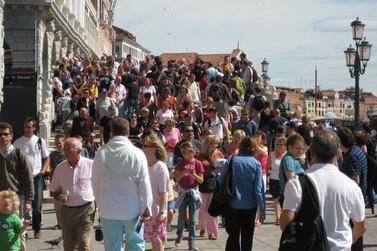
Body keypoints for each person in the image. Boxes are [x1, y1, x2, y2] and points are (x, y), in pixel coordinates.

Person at [280, 129, 367, 250]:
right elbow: (361, 225)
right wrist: (351, 238)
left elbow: (285, 222)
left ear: (312, 153)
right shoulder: (351, 186)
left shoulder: (297, 183)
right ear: (338, 154)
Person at [92, 117, 153, 251]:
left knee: (112, 247)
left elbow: (95, 183)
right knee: (136, 245)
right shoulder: (138, 154)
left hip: (108, 210)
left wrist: (100, 204)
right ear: (128, 132)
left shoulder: (100, 153)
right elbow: (145, 184)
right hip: (133, 210)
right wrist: (147, 206)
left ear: (111, 132)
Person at [219, 136, 266, 251]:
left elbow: (220, 180)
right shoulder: (256, 164)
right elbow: (259, 189)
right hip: (249, 206)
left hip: (232, 204)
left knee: (233, 236)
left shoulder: (231, 160)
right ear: (254, 149)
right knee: (247, 237)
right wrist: (262, 209)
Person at [49, 137, 95, 251]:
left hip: (86, 209)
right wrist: (59, 197)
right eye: (64, 149)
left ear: (78, 151)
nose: (65, 152)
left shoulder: (91, 165)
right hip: (67, 211)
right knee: (69, 246)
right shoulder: (60, 168)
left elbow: (101, 185)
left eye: (68, 149)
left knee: (84, 244)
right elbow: (53, 189)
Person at [13, 117, 50, 239]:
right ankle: (24, 230)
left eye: (29, 127)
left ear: (34, 128)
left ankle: (37, 228)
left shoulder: (40, 141)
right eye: (25, 127)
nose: (27, 129)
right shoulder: (17, 142)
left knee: (37, 205)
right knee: (23, 205)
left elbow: (47, 158)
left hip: (36, 177)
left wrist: (43, 171)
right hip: (22, 178)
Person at [0, 122, 34, 251]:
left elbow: (29, 178)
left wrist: (29, 200)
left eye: (6, 134)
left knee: (18, 232)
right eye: (0, 134)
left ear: (11, 136)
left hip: (15, 200)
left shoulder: (19, 154)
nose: (2, 137)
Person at [337, 127, 368, 251]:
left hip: (353, 201)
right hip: (361, 196)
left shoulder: (351, 157)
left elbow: (355, 181)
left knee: (354, 234)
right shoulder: (357, 150)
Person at [142, 134, 170, 251]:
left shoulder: (161, 167)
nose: (142, 148)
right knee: (134, 240)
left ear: (153, 149)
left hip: (156, 212)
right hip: (143, 212)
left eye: (145, 146)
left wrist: (162, 212)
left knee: (157, 243)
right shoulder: (142, 165)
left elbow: (164, 193)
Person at [175, 142, 204, 251]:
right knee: (181, 216)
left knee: (192, 219)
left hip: (193, 192)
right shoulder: (180, 163)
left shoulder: (198, 163)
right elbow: (177, 179)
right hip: (183, 192)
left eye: (190, 152)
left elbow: (201, 180)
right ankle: (179, 234)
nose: (187, 154)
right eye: (184, 152)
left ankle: (192, 242)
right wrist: (183, 172)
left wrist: (194, 174)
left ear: (193, 152)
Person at [197, 135, 223, 241]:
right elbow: (199, 169)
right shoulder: (201, 156)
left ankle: (212, 232)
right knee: (203, 209)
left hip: (214, 184)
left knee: (212, 209)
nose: (217, 145)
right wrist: (212, 170)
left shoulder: (218, 154)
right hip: (203, 184)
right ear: (209, 144)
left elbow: (223, 165)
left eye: (217, 143)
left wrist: (220, 169)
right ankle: (202, 227)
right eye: (215, 143)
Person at [278, 134, 305, 204]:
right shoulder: (289, 159)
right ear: (289, 147)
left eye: (302, 148)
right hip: (290, 198)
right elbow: (292, 179)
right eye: (297, 148)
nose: (300, 151)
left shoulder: (292, 159)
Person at [267, 136, 287, 226]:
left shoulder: (287, 156)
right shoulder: (271, 154)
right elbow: (267, 167)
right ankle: (278, 217)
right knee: (276, 199)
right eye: (278, 144)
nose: (279, 146)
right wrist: (266, 176)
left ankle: (282, 216)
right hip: (273, 180)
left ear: (285, 146)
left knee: (282, 199)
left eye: (282, 145)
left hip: (283, 181)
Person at [48, 134, 66, 230]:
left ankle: (65, 223)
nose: (58, 145)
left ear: (64, 142)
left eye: (59, 143)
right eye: (56, 143)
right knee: (57, 205)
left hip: (65, 181)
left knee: (65, 204)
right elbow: (49, 166)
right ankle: (59, 224)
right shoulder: (52, 154)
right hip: (55, 181)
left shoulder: (67, 154)